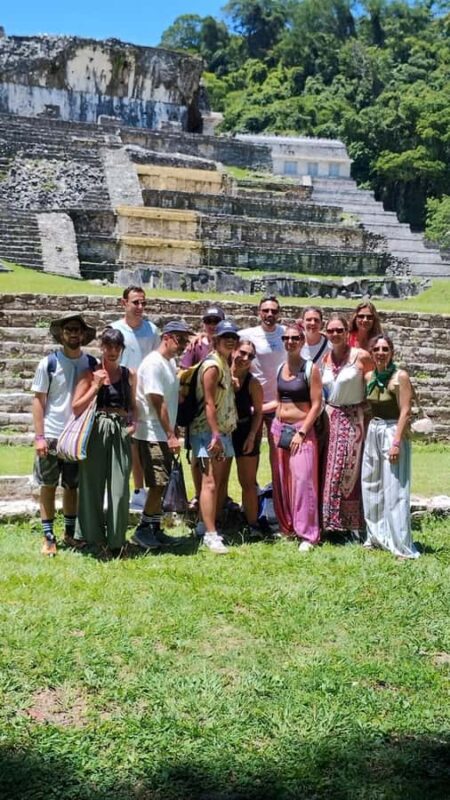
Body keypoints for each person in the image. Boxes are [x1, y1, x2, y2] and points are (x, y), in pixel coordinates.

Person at [32, 314, 97, 556]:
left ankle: (69, 534)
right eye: (68, 329)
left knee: (72, 486)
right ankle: (49, 537)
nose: (73, 334)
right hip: (51, 433)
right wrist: (39, 437)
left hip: (76, 436)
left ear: (83, 335)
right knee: (48, 485)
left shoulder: (90, 363)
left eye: (77, 330)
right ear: (61, 334)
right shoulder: (48, 363)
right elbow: (38, 401)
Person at [73, 327, 137, 555]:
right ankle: (93, 539)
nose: (112, 351)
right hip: (95, 429)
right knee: (92, 486)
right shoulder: (89, 373)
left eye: (116, 347)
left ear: (121, 349)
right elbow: (76, 406)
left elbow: (133, 406)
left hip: (119, 430)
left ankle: (117, 541)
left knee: (119, 489)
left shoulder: (129, 374)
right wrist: (95, 386)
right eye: (108, 346)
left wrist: (133, 425)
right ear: (101, 347)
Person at [132, 320, 193, 550]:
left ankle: (154, 528)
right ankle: (143, 530)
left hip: (161, 431)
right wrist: (170, 434)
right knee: (158, 483)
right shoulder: (154, 364)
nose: (183, 344)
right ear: (166, 337)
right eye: (180, 339)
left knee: (163, 481)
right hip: (151, 433)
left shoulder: (169, 363)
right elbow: (157, 402)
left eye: (186, 340)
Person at [362, 334, 419, 558]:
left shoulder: (400, 376)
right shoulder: (369, 376)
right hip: (374, 430)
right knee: (371, 483)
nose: (381, 353)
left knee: (395, 487)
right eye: (376, 349)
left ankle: (401, 544)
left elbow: (406, 410)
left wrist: (396, 442)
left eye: (385, 349)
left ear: (391, 352)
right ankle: (376, 535)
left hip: (393, 431)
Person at [271, 324, 323, 551]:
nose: (290, 341)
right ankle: (288, 526)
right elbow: (279, 400)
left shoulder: (310, 369)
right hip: (280, 429)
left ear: (302, 341)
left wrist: (302, 432)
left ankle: (308, 534)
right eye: (286, 338)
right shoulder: (280, 367)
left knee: (303, 481)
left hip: (301, 430)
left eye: (295, 338)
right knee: (283, 481)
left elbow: (317, 404)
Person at [321, 314, 373, 539]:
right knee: (328, 470)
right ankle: (330, 522)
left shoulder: (360, 356)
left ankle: (352, 524)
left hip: (352, 417)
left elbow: (374, 383)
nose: (335, 334)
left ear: (346, 332)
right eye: (331, 331)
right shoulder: (325, 358)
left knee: (349, 470)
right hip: (329, 417)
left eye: (339, 330)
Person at [190, 320, 239, 554]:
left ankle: (203, 524)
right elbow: (209, 402)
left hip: (220, 431)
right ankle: (211, 534)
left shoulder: (224, 363)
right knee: (209, 482)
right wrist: (215, 434)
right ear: (216, 340)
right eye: (225, 336)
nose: (230, 340)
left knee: (216, 482)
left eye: (233, 336)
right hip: (208, 432)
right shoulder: (212, 366)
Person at [111, 286, 160, 512]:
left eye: (143, 303)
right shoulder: (115, 329)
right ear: (124, 303)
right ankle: (122, 490)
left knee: (141, 445)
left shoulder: (152, 330)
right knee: (120, 444)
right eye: (135, 303)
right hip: (119, 392)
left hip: (145, 394)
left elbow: (159, 360)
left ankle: (140, 490)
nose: (140, 307)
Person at [179, 305, 225, 510]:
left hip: (222, 409)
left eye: (216, 322)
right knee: (197, 458)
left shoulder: (227, 344)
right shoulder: (196, 347)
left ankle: (218, 499)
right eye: (209, 321)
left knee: (221, 459)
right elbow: (183, 373)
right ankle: (199, 494)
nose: (212, 326)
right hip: (198, 410)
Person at [238, 295, 285, 475]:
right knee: (250, 451)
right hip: (252, 405)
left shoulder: (286, 334)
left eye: (273, 311)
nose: (269, 314)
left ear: (279, 313)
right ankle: (252, 492)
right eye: (265, 310)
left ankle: (277, 494)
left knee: (278, 454)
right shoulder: (246, 335)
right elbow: (220, 341)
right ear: (259, 313)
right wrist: (201, 335)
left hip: (277, 405)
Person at [231, 339, 264, 535]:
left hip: (244, 431)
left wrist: (252, 435)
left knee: (248, 482)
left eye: (250, 356)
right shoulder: (220, 373)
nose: (245, 358)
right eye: (242, 353)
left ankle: (253, 524)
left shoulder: (253, 383)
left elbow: (258, 412)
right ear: (233, 350)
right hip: (224, 432)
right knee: (218, 481)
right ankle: (214, 523)